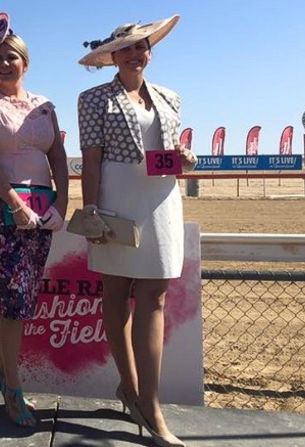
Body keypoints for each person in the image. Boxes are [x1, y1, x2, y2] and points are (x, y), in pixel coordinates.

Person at [77, 15, 196, 447]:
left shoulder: (170, 97)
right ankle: (131, 389)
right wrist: (91, 210)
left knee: (156, 296)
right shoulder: (93, 99)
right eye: (127, 47)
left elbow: (167, 154)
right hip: (115, 200)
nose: (135, 53)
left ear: (150, 51)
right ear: (112, 56)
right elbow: (91, 159)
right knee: (116, 294)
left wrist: (184, 157)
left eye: (142, 46)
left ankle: (149, 399)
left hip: (161, 200)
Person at [0, 13, 69, 427]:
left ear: (25, 62)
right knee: (12, 298)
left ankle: (1, 370)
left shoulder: (45, 106)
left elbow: (57, 155)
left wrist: (61, 201)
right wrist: (13, 202)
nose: (5, 64)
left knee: (23, 297)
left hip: (43, 211)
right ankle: (13, 388)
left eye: (12, 58)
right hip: (4, 212)